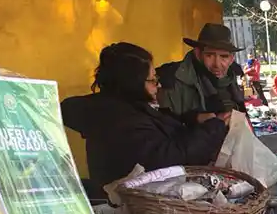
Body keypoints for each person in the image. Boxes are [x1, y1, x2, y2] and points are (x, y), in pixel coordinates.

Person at [60, 43, 229, 199]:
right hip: (133, 207)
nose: (159, 86)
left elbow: (157, 122)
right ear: (133, 83)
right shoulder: (121, 120)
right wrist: (214, 127)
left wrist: (194, 118)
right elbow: (171, 158)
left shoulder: (125, 107)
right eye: (152, 80)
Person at [157, 23, 246, 126]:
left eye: (224, 56)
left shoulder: (232, 76)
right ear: (198, 54)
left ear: (231, 59)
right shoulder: (173, 80)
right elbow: (165, 128)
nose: (217, 64)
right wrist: (196, 119)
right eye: (209, 55)